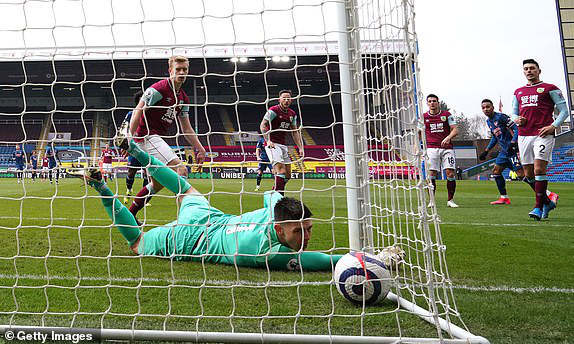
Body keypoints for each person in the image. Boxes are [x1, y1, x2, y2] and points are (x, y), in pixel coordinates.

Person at [70, 137, 345, 271]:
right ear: (279, 227)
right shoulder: (271, 254)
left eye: (308, 228)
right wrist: (359, 259)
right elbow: (323, 261)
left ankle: (122, 164)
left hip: (211, 217)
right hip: (191, 241)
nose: (307, 237)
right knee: (137, 243)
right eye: (299, 231)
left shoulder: (278, 206)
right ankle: (109, 177)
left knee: (183, 186)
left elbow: (273, 194)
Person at [127, 55, 206, 220]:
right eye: (178, 69)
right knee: (180, 169)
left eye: (185, 69)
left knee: (157, 183)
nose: (182, 72)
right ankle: (187, 220)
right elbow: (138, 109)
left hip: (153, 138)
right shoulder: (158, 89)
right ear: (170, 71)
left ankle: (131, 213)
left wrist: (200, 148)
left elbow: (186, 128)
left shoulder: (184, 98)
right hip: (145, 136)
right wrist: (129, 137)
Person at [511, 59, 568, 220]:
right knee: (528, 175)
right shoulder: (519, 91)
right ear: (524, 72)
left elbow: (564, 111)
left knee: (538, 170)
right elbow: (514, 113)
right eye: (526, 69)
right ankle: (548, 201)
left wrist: (554, 126)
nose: (529, 71)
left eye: (532, 68)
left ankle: (538, 207)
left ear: (539, 70)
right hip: (523, 135)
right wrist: (516, 119)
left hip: (543, 134)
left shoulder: (550, 89)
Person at [479, 99, 558, 205]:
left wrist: (513, 143)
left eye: (487, 107)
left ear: (493, 107)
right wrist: (486, 150)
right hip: (504, 151)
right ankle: (504, 198)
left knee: (522, 175)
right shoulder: (489, 121)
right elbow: (495, 136)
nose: (485, 109)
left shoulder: (502, 117)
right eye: (483, 108)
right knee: (496, 171)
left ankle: (548, 194)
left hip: (512, 150)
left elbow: (516, 129)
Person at [259, 89, 304, 195]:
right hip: (272, 145)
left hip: (283, 145)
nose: (286, 100)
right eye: (284, 98)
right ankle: (279, 199)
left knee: (288, 175)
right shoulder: (273, 110)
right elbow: (263, 125)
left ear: (291, 100)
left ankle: (275, 190)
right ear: (280, 99)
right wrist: (268, 140)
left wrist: (300, 147)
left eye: (288, 98)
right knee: (281, 171)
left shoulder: (292, 114)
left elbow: (295, 131)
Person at [422, 94, 459, 208]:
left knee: (450, 173)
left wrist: (448, 137)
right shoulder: (423, 117)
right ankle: (431, 201)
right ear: (427, 104)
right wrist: (416, 145)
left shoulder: (446, 115)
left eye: (434, 101)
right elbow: (419, 132)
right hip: (431, 149)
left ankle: (450, 200)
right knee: (431, 174)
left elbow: (455, 130)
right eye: (430, 101)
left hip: (447, 148)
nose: (432, 103)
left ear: (438, 103)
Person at [121, 91, 149, 204]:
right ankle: (128, 190)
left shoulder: (150, 115)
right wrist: (125, 143)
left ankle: (144, 199)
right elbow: (124, 128)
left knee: (148, 173)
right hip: (134, 147)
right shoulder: (130, 114)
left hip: (147, 147)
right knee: (131, 172)